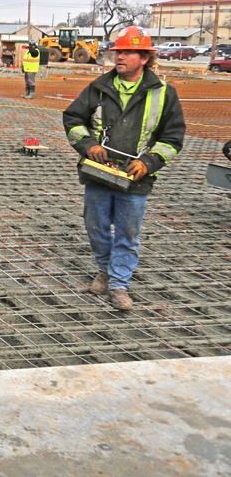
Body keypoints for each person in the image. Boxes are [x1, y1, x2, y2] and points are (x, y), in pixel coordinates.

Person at [62, 26, 185, 311]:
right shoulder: (99, 87)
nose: (120, 57)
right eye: (118, 52)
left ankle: (119, 285)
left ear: (144, 58)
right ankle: (105, 270)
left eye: (128, 52)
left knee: (128, 233)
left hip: (135, 177)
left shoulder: (164, 93)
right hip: (99, 171)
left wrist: (149, 162)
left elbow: (172, 137)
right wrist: (88, 145)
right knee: (97, 227)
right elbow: (73, 119)